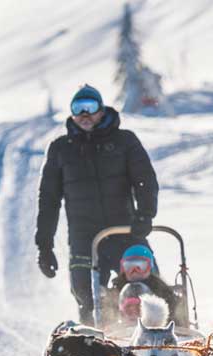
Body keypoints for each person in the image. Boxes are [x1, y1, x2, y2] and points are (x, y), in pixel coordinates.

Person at [35, 84, 159, 325]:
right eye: (78, 108)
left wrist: (145, 215)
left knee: (148, 289)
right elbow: (48, 200)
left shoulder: (124, 141)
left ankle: (164, 339)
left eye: (90, 107)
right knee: (88, 298)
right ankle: (96, 349)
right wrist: (44, 246)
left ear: (101, 110)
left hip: (127, 231)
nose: (84, 114)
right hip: (85, 239)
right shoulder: (61, 149)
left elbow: (145, 180)